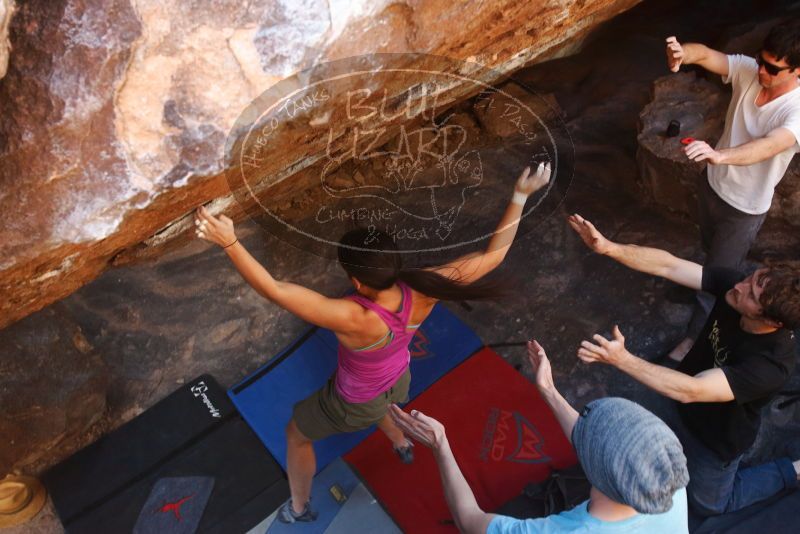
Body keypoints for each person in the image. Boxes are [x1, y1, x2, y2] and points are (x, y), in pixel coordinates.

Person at [194, 162, 551, 523]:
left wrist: (230, 242)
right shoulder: (423, 287)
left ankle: (300, 507)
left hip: (352, 402)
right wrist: (520, 195)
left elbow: (274, 289)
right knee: (387, 404)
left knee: (296, 435)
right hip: (399, 378)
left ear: (356, 282)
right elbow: (494, 256)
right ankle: (400, 441)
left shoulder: (353, 316)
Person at [569, 213, 800, 516]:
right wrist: (609, 247)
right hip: (675, 404)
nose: (741, 286)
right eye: (753, 277)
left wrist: (622, 359)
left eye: (753, 295)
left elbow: (692, 389)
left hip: (716, 440)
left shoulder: (771, 365)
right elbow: (670, 265)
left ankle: (792, 470)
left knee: (712, 506)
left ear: (772, 321)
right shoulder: (737, 290)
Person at [390, 340, 689, 533]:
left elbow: (469, 520)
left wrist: (440, 444)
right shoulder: (666, 480)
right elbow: (594, 444)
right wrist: (548, 390)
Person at [664, 22, 800, 362]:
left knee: (721, 277)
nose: (762, 71)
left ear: (797, 70)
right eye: (761, 61)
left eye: (773, 68)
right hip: (713, 186)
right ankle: (695, 282)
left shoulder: (796, 111)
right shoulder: (751, 72)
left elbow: (769, 146)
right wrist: (683, 53)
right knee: (708, 249)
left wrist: (720, 155)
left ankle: (693, 339)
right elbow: (710, 56)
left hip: (744, 208)